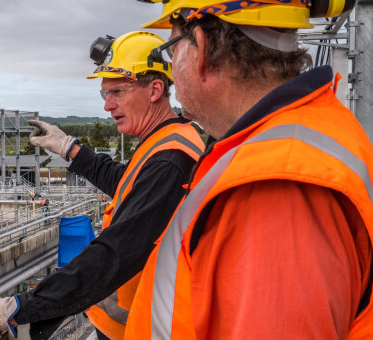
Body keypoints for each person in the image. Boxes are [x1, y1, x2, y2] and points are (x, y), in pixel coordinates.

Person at [124, 0, 373, 339]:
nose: (172, 69)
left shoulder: (276, 188)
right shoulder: (288, 139)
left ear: (203, 49)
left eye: (171, 51)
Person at [0, 31, 205, 339]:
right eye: (105, 95)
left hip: (144, 329)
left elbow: (113, 255)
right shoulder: (167, 140)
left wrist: (20, 306)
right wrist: (69, 148)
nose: (108, 106)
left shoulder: (170, 160)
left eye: (117, 92)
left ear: (155, 89)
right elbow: (127, 182)